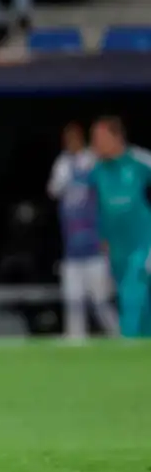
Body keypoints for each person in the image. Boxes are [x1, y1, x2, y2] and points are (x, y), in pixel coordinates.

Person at [47, 122, 119, 340]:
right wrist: (68, 177)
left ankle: (121, 337)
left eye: (74, 139)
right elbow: (53, 190)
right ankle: (75, 340)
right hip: (72, 250)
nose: (71, 144)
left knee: (100, 301)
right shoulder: (62, 164)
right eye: (67, 140)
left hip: (95, 248)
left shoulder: (92, 160)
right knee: (72, 300)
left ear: (81, 139)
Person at [88, 117, 151, 338]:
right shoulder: (97, 170)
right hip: (116, 248)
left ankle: (130, 342)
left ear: (117, 138)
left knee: (132, 293)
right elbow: (99, 207)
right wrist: (102, 236)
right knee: (135, 298)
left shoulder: (140, 161)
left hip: (142, 244)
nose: (95, 143)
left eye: (99, 138)